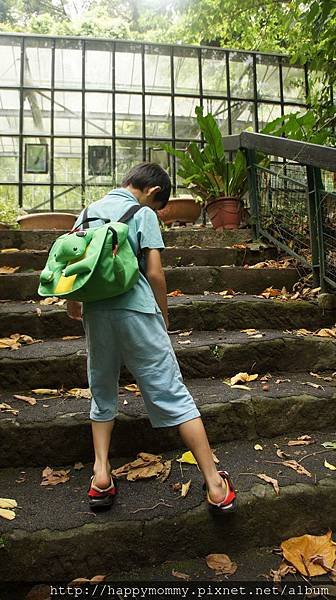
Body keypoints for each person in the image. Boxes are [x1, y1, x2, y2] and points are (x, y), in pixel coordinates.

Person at [67, 162, 237, 514]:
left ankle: (101, 474)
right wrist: (163, 313)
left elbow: (74, 265)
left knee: (101, 391)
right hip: (139, 312)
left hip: (97, 313)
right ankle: (217, 486)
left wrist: (74, 305)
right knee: (172, 392)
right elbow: (155, 273)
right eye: (160, 205)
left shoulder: (86, 213)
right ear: (154, 192)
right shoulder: (142, 213)